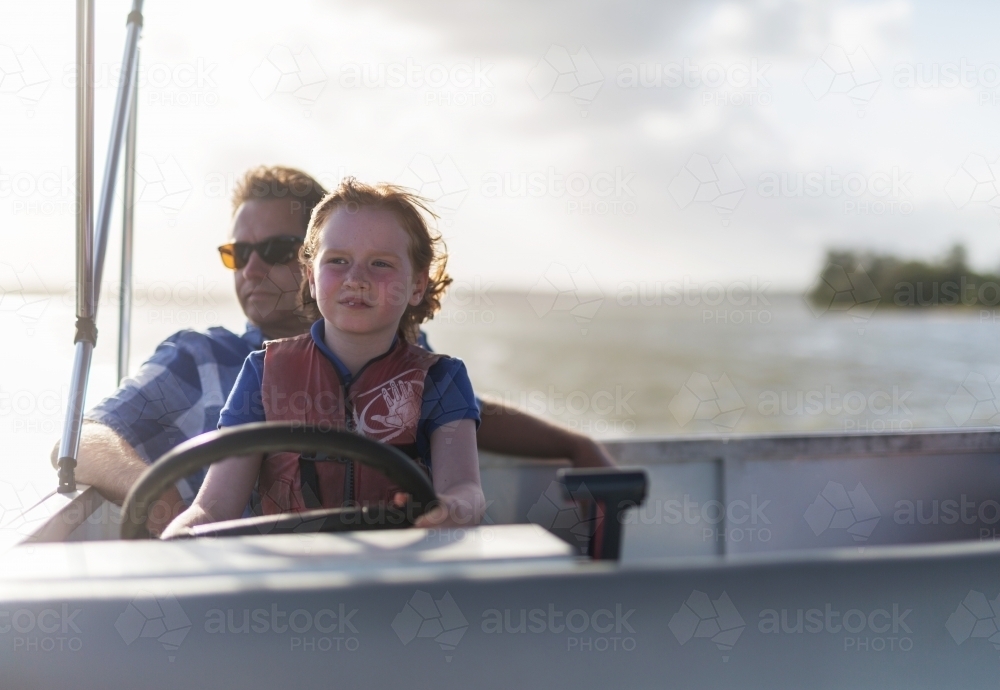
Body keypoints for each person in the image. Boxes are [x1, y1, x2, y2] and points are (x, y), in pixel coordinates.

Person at [58, 166, 614, 536]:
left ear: (415, 284)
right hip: (274, 584)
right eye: (238, 252)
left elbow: (464, 432)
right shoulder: (218, 363)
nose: (251, 268)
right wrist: (170, 516)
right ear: (315, 269)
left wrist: (562, 448)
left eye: (271, 249)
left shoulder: (425, 367)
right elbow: (86, 439)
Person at [162, 179, 483, 537]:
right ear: (311, 278)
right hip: (289, 582)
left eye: (380, 263)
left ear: (418, 285)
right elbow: (213, 508)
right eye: (338, 261)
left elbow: (464, 489)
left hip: (401, 579)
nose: (356, 278)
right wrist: (183, 533)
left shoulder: (443, 380)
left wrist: (454, 508)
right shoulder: (261, 372)